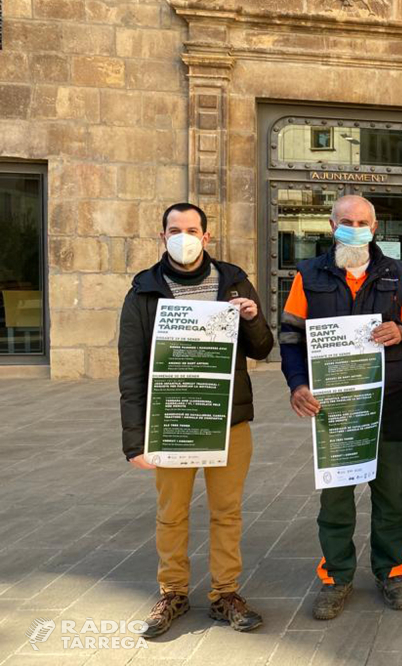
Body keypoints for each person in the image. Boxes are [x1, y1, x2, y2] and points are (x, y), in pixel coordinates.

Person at [118, 202, 274, 638]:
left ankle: (226, 594)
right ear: (162, 236)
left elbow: (263, 348)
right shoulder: (144, 291)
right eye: (174, 229)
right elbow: (130, 368)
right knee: (172, 513)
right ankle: (173, 592)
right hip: (172, 419)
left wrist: (252, 317)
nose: (183, 236)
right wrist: (135, 439)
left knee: (227, 512)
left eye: (191, 229)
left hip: (228, 419)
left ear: (206, 237)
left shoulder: (233, 281)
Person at [279, 195, 402, 620]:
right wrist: (297, 384)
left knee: (391, 493)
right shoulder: (308, 274)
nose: (354, 227)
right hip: (334, 405)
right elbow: (290, 337)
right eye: (346, 221)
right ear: (332, 226)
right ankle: (337, 576)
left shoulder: (396, 273)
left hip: (388, 400)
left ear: (375, 227)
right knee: (337, 497)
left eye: (362, 221)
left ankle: (391, 571)